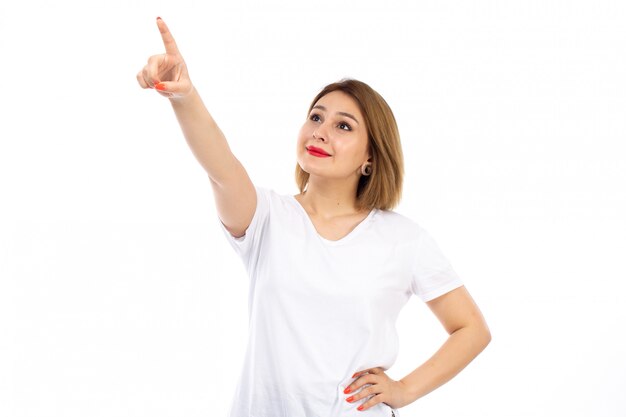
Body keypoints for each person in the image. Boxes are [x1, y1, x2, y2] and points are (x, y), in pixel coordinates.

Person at [136, 17, 491, 417]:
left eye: (344, 126)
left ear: (371, 157)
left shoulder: (404, 240)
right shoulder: (266, 217)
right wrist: (185, 96)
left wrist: (404, 389)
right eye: (316, 117)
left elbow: (472, 330)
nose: (321, 131)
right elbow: (221, 166)